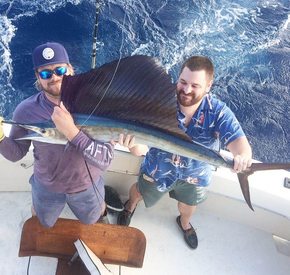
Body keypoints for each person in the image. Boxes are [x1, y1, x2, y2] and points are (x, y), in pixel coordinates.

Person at [117, 55, 252, 249]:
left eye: (195, 86)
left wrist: (242, 158)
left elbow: (241, 144)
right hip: (157, 171)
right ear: (178, 78)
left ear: (208, 86)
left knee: (188, 206)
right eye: (183, 82)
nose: (187, 90)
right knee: (138, 192)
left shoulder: (218, 112)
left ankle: (184, 222)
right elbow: (139, 150)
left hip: (195, 177)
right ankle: (130, 206)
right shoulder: (157, 105)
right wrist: (130, 144)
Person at [0, 42, 124, 228]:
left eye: (59, 70)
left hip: (87, 186)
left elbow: (104, 161)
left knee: (94, 217)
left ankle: (102, 214)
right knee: (44, 221)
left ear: (70, 69)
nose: (54, 77)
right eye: (45, 74)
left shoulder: (96, 105)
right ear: (37, 77)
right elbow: (16, 154)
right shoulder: (25, 111)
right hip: (46, 187)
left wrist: (71, 132)